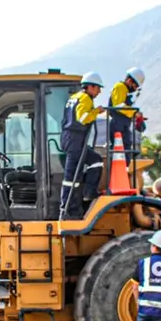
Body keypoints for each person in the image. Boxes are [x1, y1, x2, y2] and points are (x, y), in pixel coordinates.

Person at [60, 72, 107, 215]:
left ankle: (88, 193)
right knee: (71, 177)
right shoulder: (85, 99)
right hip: (75, 139)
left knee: (96, 161)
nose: (99, 92)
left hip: (70, 138)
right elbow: (82, 118)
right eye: (98, 88)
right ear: (90, 87)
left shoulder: (74, 97)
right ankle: (67, 209)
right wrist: (96, 111)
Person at [107, 66, 146, 159]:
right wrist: (134, 113)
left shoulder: (125, 90)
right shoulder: (120, 87)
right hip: (117, 124)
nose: (135, 88)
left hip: (123, 125)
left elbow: (126, 108)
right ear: (129, 81)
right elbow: (119, 106)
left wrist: (137, 115)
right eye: (135, 86)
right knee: (120, 150)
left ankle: (125, 170)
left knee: (126, 148)